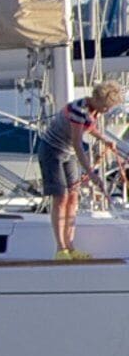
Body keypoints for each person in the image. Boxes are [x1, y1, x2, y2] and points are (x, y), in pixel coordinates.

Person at [37, 81, 124, 258]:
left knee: (73, 196)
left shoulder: (93, 110)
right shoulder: (78, 109)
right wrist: (91, 174)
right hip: (52, 151)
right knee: (60, 197)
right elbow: (77, 144)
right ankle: (61, 249)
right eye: (106, 107)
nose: (107, 110)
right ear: (98, 100)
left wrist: (103, 139)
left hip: (66, 152)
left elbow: (88, 126)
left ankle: (70, 246)